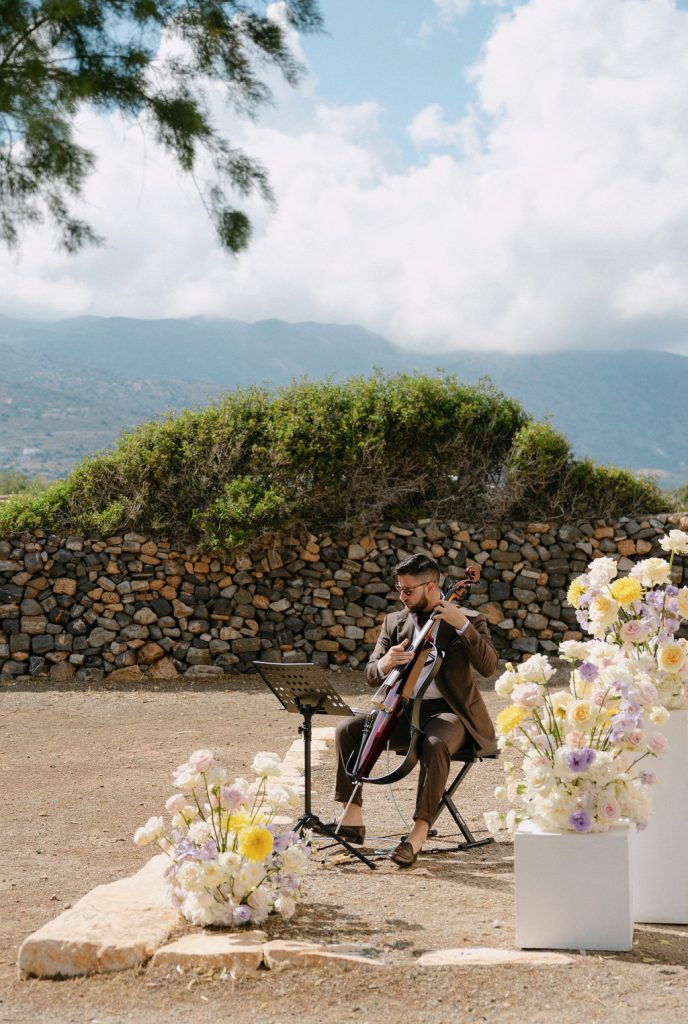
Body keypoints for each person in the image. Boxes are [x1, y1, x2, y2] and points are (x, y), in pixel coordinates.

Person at [321, 553, 498, 867]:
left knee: (436, 742)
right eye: (399, 589)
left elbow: (489, 667)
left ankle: (417, 834)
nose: (401, 596)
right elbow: (371, 673)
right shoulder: (394, 621)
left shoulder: (466, 617)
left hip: (450, 714)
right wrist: (387, 661)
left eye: (408, 590)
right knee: (347, 728)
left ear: (431, 587)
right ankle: (352, 820)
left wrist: (463, 625)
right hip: (401, 711)